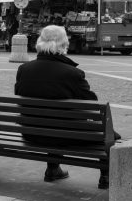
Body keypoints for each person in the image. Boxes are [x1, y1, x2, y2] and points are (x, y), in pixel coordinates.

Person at [14, 25, 120, 189]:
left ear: (40, 42)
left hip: (31, 133)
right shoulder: (72, 73)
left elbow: (19, 97)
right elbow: (92, 106)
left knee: (52, 120)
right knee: (107, 133)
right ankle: (105, 176)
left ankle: (53, 168)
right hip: (66, 135)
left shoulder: (24, 69)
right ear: (64, 44)